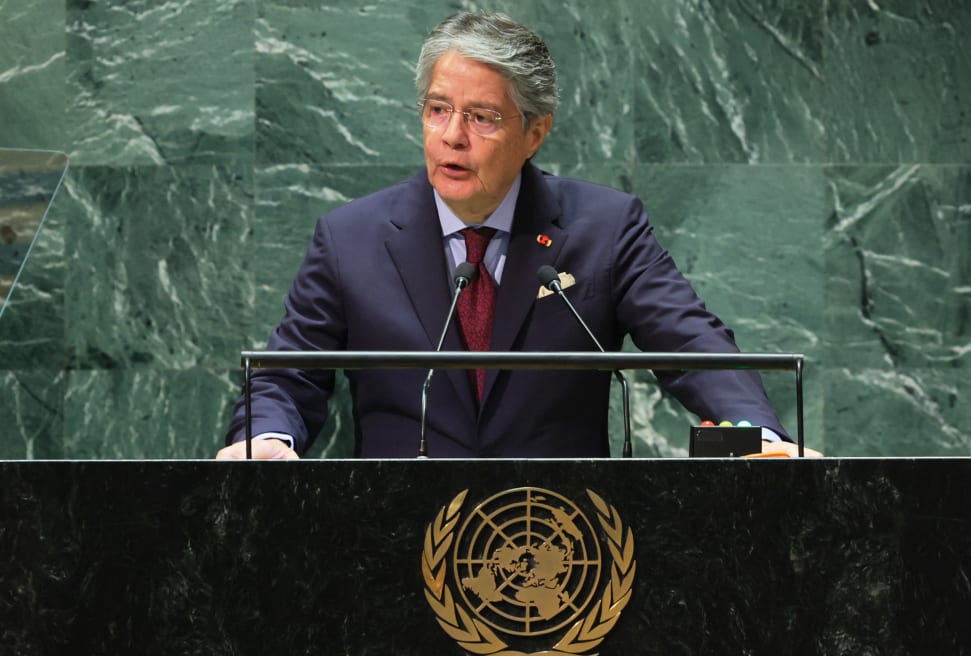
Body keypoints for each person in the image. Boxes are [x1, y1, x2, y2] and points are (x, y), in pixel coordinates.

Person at [217, 11, 806, 460]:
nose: (452, 136)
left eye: (483, 117)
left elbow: (694, 349)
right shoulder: (351, 238)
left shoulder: (604, 228)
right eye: (438, 109)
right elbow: (288, 376)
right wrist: (267, 438)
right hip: (392, 542)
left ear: (534, 133)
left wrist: (762, 440)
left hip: (565, 546)